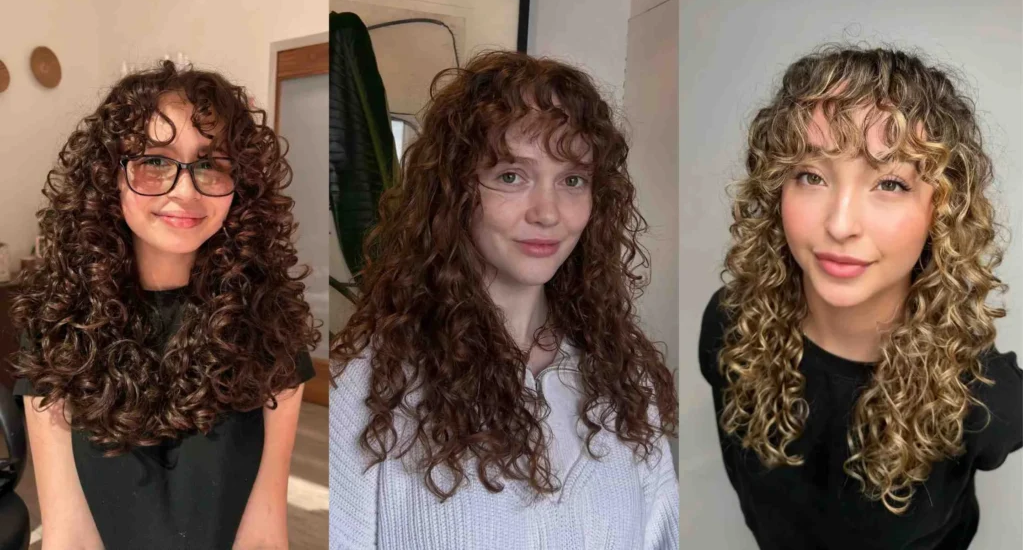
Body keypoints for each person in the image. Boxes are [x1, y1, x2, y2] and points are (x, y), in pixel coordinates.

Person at [330, 50, 679, 549]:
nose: (548, 213)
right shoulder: (372, 388)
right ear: (452, 194)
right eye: (511, 176)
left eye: (572, 180)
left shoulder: (623, 382)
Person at [698, 45, 1023, 550]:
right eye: (811, 176)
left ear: (942, 209)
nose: (841, 224)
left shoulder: (981, 394)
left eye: (890, 183)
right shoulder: (729, 325)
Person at [10, 61, 319, 549]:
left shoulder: (270, 322)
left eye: (210, 163)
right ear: (109, 176)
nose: (185, 189)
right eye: (155, 161)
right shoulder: (58, 327)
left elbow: (261, 533)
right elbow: (69, 536)